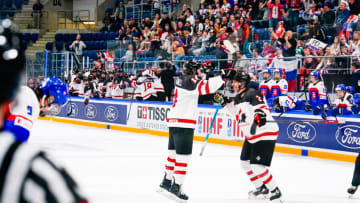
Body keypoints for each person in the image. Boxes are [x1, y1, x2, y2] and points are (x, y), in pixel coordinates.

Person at [0, 18, 88, 203]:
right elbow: (17, 136)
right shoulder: (30, 101)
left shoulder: (25, 94)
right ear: (48, 97)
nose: (52, 107)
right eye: (54, 103)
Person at [158, 61, 224, 202]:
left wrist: (205, 75)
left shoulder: (182, 80)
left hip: (175, 121)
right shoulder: (189, 80)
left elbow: (199, 86)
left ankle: (166, 181)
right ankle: (177, 187)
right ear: (194, 71)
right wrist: (222, 77)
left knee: (173, 154)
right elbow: (206, 87)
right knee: (183, 157)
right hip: (184, 123)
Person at [215, 71, 283, 202]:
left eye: (235, 82)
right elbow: (235, 113)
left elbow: (261, 107)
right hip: (252, 135)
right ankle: (261, 187)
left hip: (264, 132)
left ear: (242, 83)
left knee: (257, 166)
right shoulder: (238, 98)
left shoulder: (252, 93)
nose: (232, 84)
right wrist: (224, 102)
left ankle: (275, 191)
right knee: (244, 163)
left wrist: (260, 115)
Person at [5, 77, 69, 142]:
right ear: (47, 97)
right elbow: (17, 133)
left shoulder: (26, 91)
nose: (49, 109)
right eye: (52, 104)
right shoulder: (31, 102)